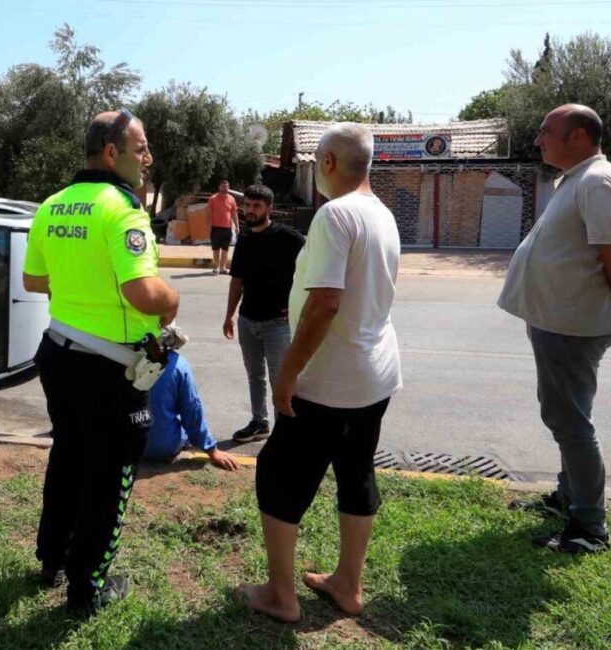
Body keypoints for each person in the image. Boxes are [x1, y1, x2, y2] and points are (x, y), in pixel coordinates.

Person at [240, 123, 402, 622]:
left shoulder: (335, 215)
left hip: (328, 382)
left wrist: (286, 376)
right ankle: (348, 584)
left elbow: (324, 306)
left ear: (328, 163)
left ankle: (280, 596)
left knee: (278, 476)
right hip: (374, 377)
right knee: (355, 473)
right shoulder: (383, 214)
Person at [23, 109, 180, 616]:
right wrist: (171, 300)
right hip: (109, 370)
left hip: (58, 355)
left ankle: (52, 560)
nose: (147, 157)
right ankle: (87, 591)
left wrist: (83, 283)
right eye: (140, 148)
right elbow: (142, 292)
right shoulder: (123, 210)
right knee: (109, 479)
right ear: (111, 154)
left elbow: (35, 281)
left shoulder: (53, 205)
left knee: (68, 457)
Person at [499, 104, 611, 554]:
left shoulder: (599, 181)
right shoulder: (579, 179)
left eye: (547, 131)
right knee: (568, 416)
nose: (538, 139)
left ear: (579, 137)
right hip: (559, 320)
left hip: (571, 325)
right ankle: (569, 498)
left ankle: (590, 526)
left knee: (569, 422)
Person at [222, 184, 304, 443]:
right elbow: (237, 280)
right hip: (248, 320)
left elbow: (314, 262)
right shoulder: (245, 239)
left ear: (269, 209)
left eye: (257, 206)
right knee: (254, 374)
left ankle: (286, 429)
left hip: (279, 322)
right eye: (247, 205)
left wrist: (301, 301)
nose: (250, 210)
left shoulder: (288, 237)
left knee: (281, 378)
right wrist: (230, 315)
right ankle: (260, 422)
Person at [143, 350, 240, 471]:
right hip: (164, 448)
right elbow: (192, 413)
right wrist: (212, 450)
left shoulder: (116, 359)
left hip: (124, 447)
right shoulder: (178, 364)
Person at [208, 179, 239, 274]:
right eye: (222, 186)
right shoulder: (212, 198)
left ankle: (223, 268)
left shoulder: (232, 199)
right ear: (219, 187)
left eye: (226, 186)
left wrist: (237, 226)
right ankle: (216, 267)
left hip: (227, 228)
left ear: (228, 187)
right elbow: (209, 214)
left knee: (225, 248)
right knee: (216, 248)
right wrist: (209, 227)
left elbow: (234, 213)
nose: (224, 188)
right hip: (215, 227)